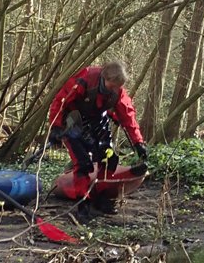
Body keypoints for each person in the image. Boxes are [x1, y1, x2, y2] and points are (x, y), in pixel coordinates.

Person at [48, 61, 147, 214]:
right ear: (104, 78)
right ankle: (83, 203)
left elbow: (128, 116)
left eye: (117, 86)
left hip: (98, 120)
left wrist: (138, 142)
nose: (114, 89)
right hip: (74, 121)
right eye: (112, 85)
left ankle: (101, 198)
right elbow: (60, 101)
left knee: (109, 159)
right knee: (83, 163)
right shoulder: (84, 80)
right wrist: (56, 127)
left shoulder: (118, 92)